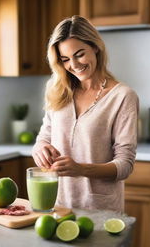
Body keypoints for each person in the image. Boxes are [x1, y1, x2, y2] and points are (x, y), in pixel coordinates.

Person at [32, 15, 139, 212]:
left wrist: (81, 169)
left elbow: (125, 165)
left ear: (95, 47)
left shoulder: (123, 96)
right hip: (57, 205)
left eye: (79, 54)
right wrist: (39, 148)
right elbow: (44, 137)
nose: (73, 65)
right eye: (65, 59)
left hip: (100, 209)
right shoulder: (57, 89)